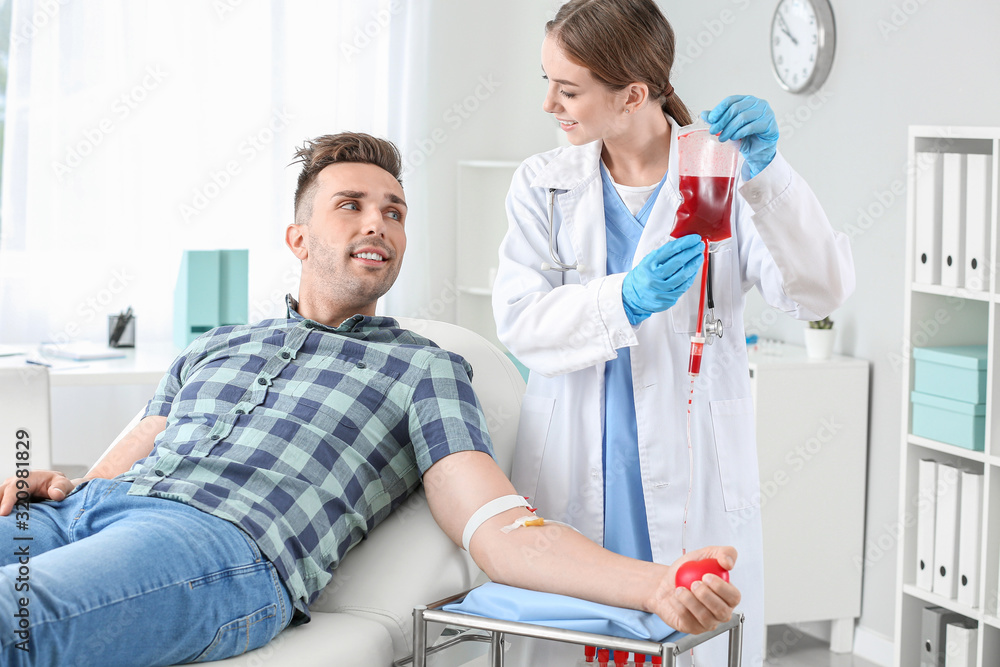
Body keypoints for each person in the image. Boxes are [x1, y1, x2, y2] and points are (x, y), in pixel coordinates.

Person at [0, 132, 741, 666]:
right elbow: (110, 475)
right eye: (350, 205)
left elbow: (500, 527)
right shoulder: (214, 345)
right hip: (79, 519)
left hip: (217, 546)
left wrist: (654, 584)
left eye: (393, 210)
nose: (377, 223)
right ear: (297, 237)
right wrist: (52, 483)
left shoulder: (424, 369)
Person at [491, 1, 855, 665]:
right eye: (547, 81)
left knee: (684, 638)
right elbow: (520, 320)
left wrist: (769, 172)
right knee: (577, 638)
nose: (549, 104)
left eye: (567, 89)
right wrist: (620, 301)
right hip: (574, 462)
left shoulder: (722, 170)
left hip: (693, 472)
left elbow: (818, 290)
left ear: (632, 94)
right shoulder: (543, 184)